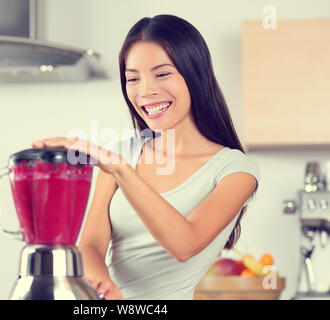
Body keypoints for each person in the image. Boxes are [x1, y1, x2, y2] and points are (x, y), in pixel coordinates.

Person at [32, 14, 260, 300]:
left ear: (195, 73)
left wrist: (120, 169)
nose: (145, 91)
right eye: (133, 79)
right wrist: (104, 286)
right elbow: (89, 245)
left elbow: (184, 243)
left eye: (162, 74)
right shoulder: (122, 153)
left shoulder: (235, 171)